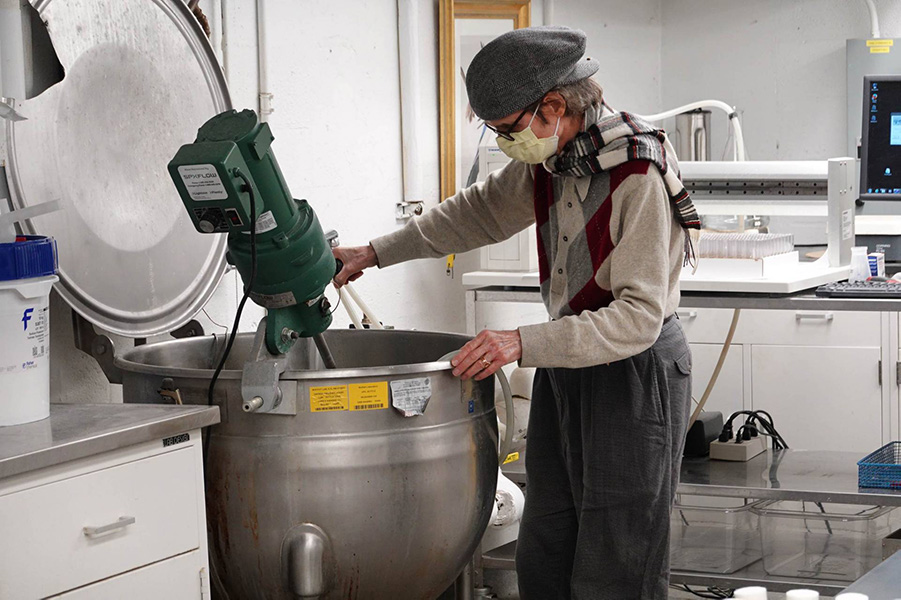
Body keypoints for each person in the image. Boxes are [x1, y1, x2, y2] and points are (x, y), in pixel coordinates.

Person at [333, 25, 695, 600]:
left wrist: (521, 342)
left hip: (634, 372)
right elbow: (474, 214)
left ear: (554, 106)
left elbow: (636, 318)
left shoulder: (637, 172)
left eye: (506, 129)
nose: (504, 143)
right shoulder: (554, 159)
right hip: (569, 364)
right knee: (547, 543)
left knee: (617, 557)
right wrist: (374, 253)